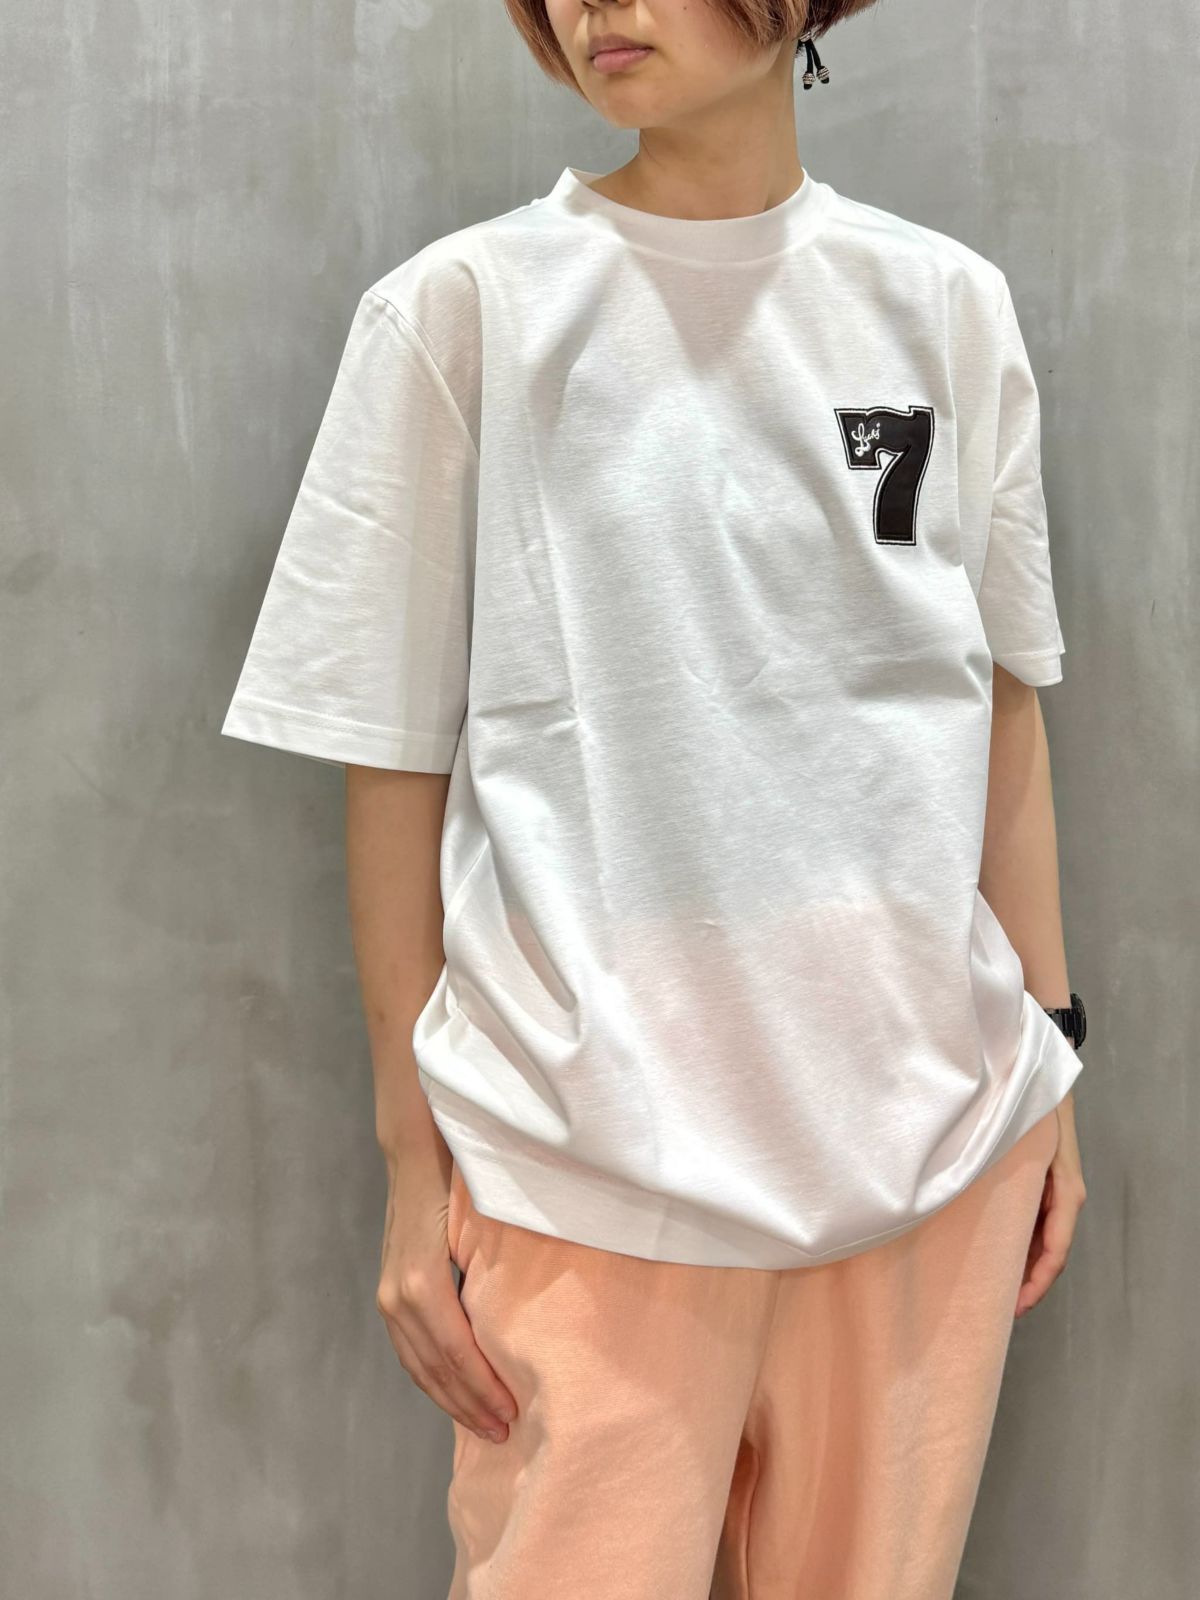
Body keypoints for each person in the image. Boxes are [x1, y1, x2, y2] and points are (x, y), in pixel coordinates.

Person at [220, 2, 1090, 1594]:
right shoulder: (463, 312)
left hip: (931, 1160)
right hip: (584, 1175)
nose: (594, 5)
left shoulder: (941, 304)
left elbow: (1000, 701)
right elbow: (388, 753)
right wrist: (414, 1169)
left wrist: (1052, 1064)